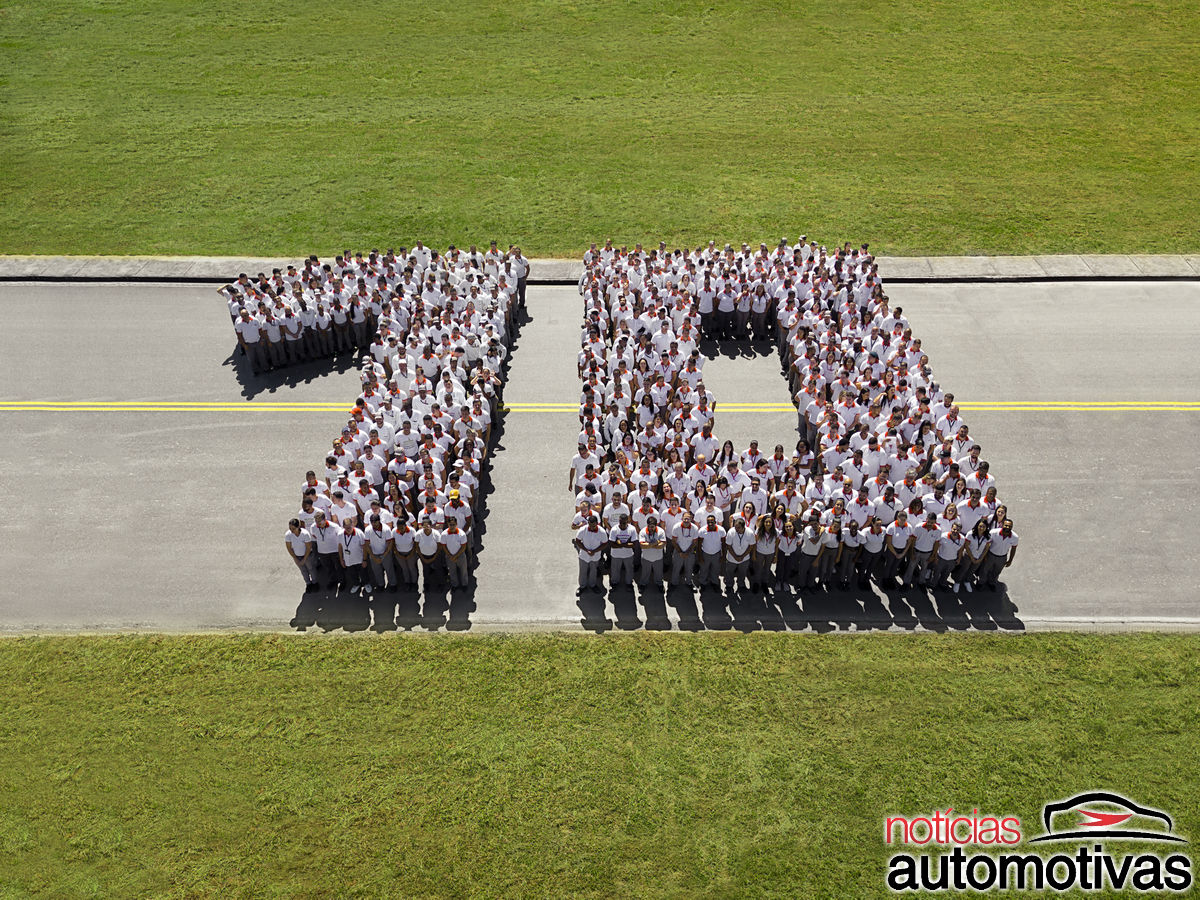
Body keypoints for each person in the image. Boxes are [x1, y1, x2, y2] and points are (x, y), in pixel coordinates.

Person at [978, 518, 1019, 590]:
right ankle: (981, 582)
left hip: (1002, 557)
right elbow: (987, 544)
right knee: (985, 569)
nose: (1007, 527)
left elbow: (1013, 549)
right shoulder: (993, 533)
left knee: (997, 571)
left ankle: (991, 582)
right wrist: (985, 555)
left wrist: (1010, 560)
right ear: (1002, 525)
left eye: (1010, 526)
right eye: (1006, 525)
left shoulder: (1015, 537)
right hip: (991, 554)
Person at [575, 515, 608, 592]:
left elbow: (605, 543)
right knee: (583, 571)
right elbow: (578, 541)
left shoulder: (602, 532)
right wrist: (586, 550)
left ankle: (593, 585)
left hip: (595, 556)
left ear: (597, 523)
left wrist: (595, 551)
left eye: (593, 525)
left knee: (593, 571)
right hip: (584, 555)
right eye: (590, 525)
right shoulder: (583, 529)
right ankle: (582, 586)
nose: (591, 527)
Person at [285, 518, 316, 588]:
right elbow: (289, 548)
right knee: (303, 570)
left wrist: (304, 559)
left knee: (311, 569)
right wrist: (295, 558)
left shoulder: (305, 534)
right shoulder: (288, 535)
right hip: (297, 556)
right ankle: (308, 583)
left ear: (298, 527)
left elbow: (308, 548)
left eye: (293, 528)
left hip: (307, 556)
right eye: (290, 528)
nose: (291, 530)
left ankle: (315, 582)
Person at [638, 516, 666, 589]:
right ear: (647, 525)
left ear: (656, 525)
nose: (651, 528)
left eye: (653, 527)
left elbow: (662, 545)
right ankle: (643, 584)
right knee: (645, 573)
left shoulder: (661, 531)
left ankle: (659, 584)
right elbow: (642, 545)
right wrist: (656, 543)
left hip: (658, 558)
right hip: (646, 558)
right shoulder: (643, 531)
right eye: (649, 526)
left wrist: (648, 545)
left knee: (659, 573)